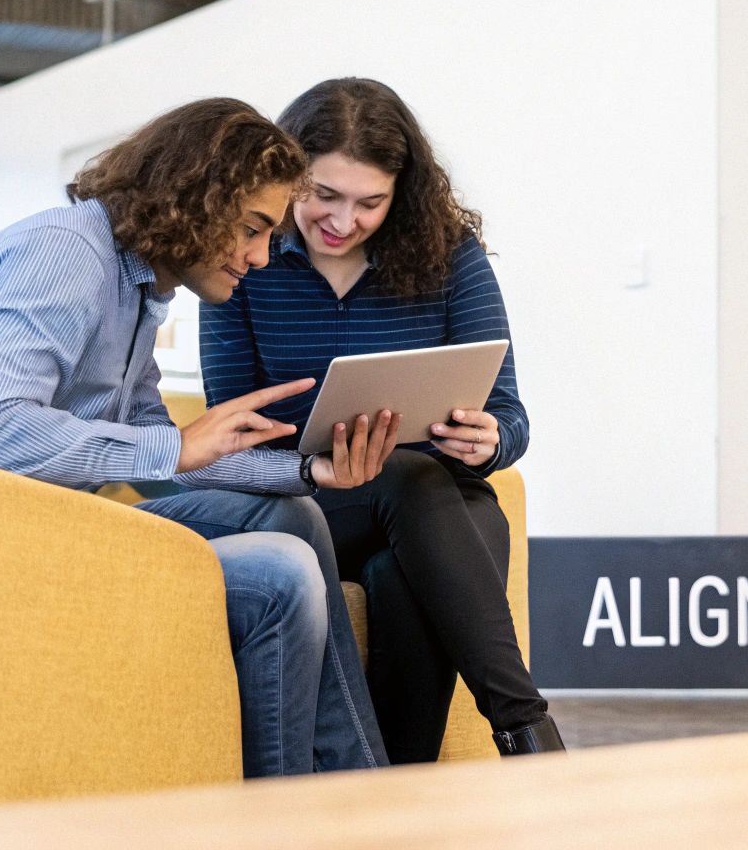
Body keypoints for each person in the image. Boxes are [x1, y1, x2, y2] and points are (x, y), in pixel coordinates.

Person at [0, 97, 398, 777]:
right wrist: (174, 445)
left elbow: (155, 452)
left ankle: (356, 786)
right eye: (254, 229)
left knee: (291, 514)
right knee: (283, 575)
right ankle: (284, 821)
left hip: (34, 524)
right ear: (198, 197)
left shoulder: (137, 287)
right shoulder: (64, 255)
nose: (262, 258)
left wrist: (309, 472)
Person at [200, 78, 564, 760]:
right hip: (307, 508)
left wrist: (489, 441)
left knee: (414, 547)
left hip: (425, 517)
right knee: (413, 479)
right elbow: (230, 443)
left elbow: (508, 416)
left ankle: (396, 791)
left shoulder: (448, 254)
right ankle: (526, 728)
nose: (343, 221)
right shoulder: (243, 261)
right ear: (285, 178)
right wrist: (316, 468)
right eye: (323, 196)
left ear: (402, 193)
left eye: (370, 202)